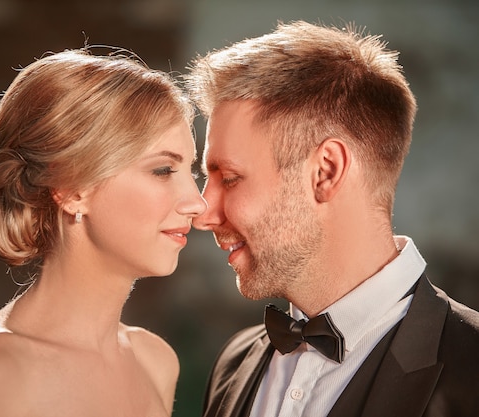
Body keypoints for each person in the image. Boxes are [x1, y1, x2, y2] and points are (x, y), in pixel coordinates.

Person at [185, 20, 479, 417]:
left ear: (326, 171)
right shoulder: (234, 363)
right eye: (208, 178)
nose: (202, 213)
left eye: (231, 178)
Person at [0, 48, 207, 417]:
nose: (197, 204)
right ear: (72, 189)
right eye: (163, 170)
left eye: (191, 172)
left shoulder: (156, 362)